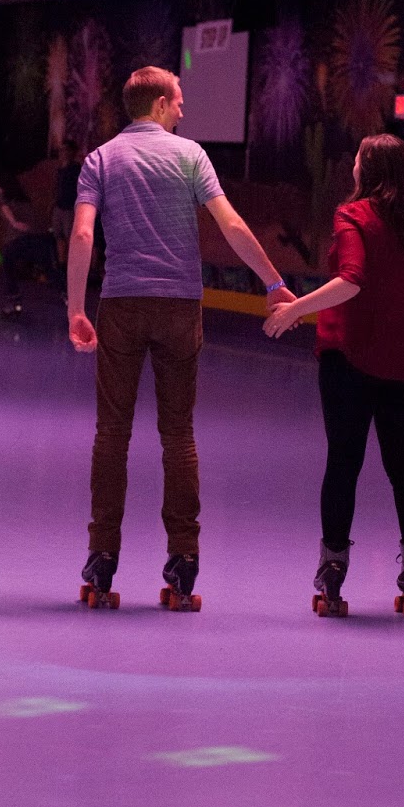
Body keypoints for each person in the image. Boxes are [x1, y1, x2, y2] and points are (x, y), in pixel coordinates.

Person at [67, 65, 293, 610]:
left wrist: (76, 307)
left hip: (120, 303)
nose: (184, 111)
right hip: (179, 306)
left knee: (111, 434)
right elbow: (232, 224)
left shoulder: (100, 160)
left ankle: (102, 558)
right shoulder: (191, 156)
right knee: (179, 436)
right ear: (162, 104)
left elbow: (81, 232)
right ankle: (184, 560)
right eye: (181, 101)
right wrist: (274, 282)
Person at [264, 134, 404, 617]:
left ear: (369, 169)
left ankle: (333, 569)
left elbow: (352, 278)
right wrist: (398, 320)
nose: (352, 167)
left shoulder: (354, 216)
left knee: (344, 462)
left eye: (359, 159)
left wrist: (292, 311)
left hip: (350, 359)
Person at [0, 172, 60, 319]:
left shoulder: (3, 199)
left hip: (16, 241)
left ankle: (13, 303)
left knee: (7, 268)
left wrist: (13, 223)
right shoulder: (25, 200)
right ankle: (67, 296)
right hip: (36, 239)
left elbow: (4, 207)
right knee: (50, 269)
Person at [51, 140, 82, 270]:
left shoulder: (76, 169)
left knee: (69, 236)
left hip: (69, 207)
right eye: (61, 150)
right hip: (59, 206)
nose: (62, 153)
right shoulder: (60, 169)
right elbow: (57, 188)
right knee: (58, 235)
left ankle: (72, 264)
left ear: (71, 152)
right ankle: (61, 263)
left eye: (65, 150)